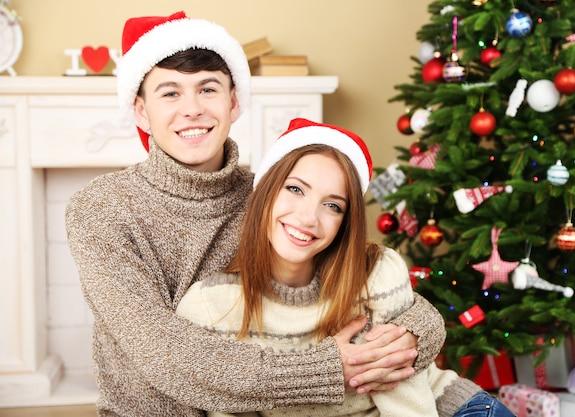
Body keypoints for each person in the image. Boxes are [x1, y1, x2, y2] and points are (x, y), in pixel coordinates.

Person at [65, 11, 447, 416]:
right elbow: (160, 350)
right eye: (170, 93)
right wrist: (327, 369)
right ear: (141, 111)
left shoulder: (274, 199)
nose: (192, 109)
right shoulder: (100, 209)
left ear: (233, 102)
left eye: (207, 89)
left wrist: (415, 334)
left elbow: (360, 267)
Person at [177, 118, 517, 417]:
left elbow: (405, 396)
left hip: (448, 408)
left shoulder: (377, 273)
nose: (308, 218)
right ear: (266, 191)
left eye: (333, 206)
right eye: (295, 189)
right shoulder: (210, 306)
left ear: (345, 222)